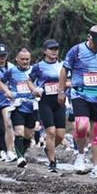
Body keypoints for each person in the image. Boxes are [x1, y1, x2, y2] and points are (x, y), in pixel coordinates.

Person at [59, 25, 97, 178]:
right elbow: (64, 70)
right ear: (89, 38)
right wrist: (61, 91)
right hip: (79, 94)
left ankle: (96, 167)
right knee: (82, 126)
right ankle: (80, 155)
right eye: (96, 42)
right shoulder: (76, 50)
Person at [29, 39, 67, 173]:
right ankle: (52, 162)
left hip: (60, 101)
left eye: (56, 49)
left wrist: (66, 86)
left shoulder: (63, 65)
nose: (54, 51)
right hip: (45, 101)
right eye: (51, 49)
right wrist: (34, 89)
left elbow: (68, 80)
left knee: (61, 135)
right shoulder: (38, 66)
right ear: (45, 51)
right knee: (50, 132)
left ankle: (48, 149)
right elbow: (29, 80)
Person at [0, 47, 38, 168]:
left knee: (28, 135)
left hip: (32, 106)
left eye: (27, 59)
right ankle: (20, 158)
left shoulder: (35, 70)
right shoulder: (11, 71)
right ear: (17, 59)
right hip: (18, 105)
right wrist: (7, 91)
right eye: (22, 59)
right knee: (19, 132)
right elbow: (0, 82)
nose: (25, 61)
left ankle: (21, 154)